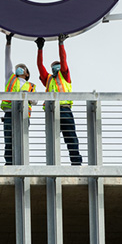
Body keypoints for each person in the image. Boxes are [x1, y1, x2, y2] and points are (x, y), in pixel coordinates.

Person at [36, 35, 82, 165]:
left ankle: (76, 163)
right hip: (51, 112)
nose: (55, 67)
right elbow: (40, 66)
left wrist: (60, 43)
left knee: (70, 138)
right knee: (52, 140)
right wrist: (40, 49)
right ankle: (52, 165)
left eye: (57, 65)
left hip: (64, 110)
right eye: (53, 66)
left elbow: (63, 58)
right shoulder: (48, 79)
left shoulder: (65, 74)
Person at [1, 33, 36, 165]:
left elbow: (36, 101)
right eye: (18, 67)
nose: (19, 68)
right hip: (9, 113)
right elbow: (7, 59)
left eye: (22, 68)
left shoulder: (31, 86)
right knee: (9, 140)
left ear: (27, 74)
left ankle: (22, 163)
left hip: (23, 116)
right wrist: (8, 43)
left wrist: (28, 97)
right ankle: (9, 164)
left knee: (22, 140)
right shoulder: (10, 78)